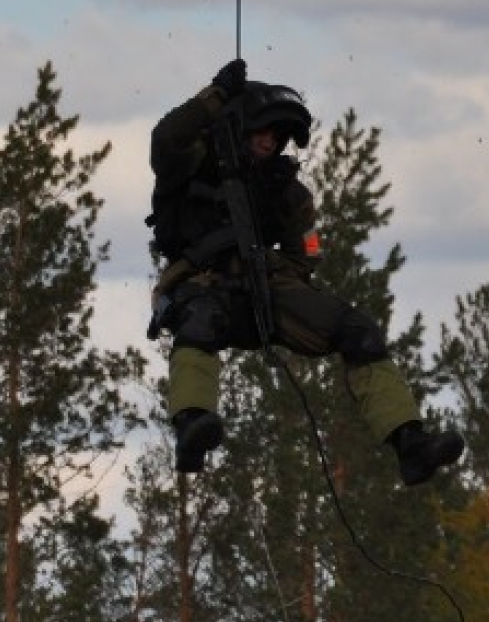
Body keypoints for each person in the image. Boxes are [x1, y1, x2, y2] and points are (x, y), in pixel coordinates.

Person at [146, 58, 466, 483]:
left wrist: (265, 265)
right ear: (239, 127)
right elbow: (165, 137)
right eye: (261, 131)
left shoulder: (287, 193)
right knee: (200, 322)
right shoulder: (192, 164)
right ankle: (191, 428)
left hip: (268, 290)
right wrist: (216, 95)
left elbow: (305, 257)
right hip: (202, 286)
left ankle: (409, 442)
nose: (269, 141)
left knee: (359, 332)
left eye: (277, 136)